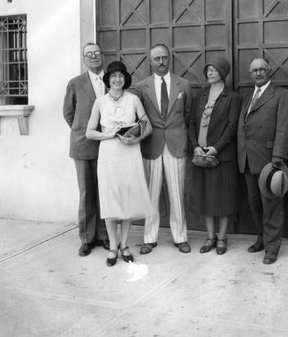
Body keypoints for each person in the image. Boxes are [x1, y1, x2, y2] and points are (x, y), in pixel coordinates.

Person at [86, 61, 153, 266]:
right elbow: (89, 133)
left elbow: (147, 126)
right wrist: (109, 134)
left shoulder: (133, 100)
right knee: (111, 199)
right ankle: (113, 247)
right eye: (113, 76)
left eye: (121, 76)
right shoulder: (100, 102)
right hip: (109, 155)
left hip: (129, 154)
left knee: (128, 200)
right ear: (108, 80)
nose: (117, 79)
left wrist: (135, 139)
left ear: (125, 79)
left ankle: (124, 245)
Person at [128, 44, 192, 254]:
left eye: (164, 58)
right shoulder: (141, 86)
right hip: (152, 144)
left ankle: (180, 237)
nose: (161, 62)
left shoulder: (184, 84)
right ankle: (149, 237)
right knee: (151, 193)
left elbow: (188, 114)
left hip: (176, 143)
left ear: (169, 59)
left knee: (177, 194)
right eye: (157, 58)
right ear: (150, 61)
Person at [237, 58, 288, 264]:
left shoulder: (282, 95)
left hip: (270, 161)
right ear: (250, 73)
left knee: (272, 206)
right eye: (254, 70)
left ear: (270, 71)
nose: (258, 73)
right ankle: (262, 239)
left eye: (262, 69)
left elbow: (286, 127)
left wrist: (278, 157)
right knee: (255, 205)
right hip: (248, 160)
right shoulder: (247, 97)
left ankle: (272, 249)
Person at [188, 57, 241, 255]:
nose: (210, 73)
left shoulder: (233, 97)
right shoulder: (200, 95)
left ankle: (222, 237)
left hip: (222, 157)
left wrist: (216, 148)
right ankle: (210, 237)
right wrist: (195, 146)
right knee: (206, 198)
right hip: (200, 155)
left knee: (224, 199)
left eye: (214, 70)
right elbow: (192, 123)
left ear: (223, 73)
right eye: (208, 70)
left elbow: (232, 126)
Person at [63, 43, 109, 257]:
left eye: (97, 53)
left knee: (104, 192)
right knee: (86, 193)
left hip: (108, 145)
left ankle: (104, 235)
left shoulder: (113, 79)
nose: (94, 57)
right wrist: (82, 130)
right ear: (84, 59)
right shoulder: (75, 83)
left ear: (103, 56)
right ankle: (87, 239)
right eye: (89, 54)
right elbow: (68, 113)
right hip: (83, 145)